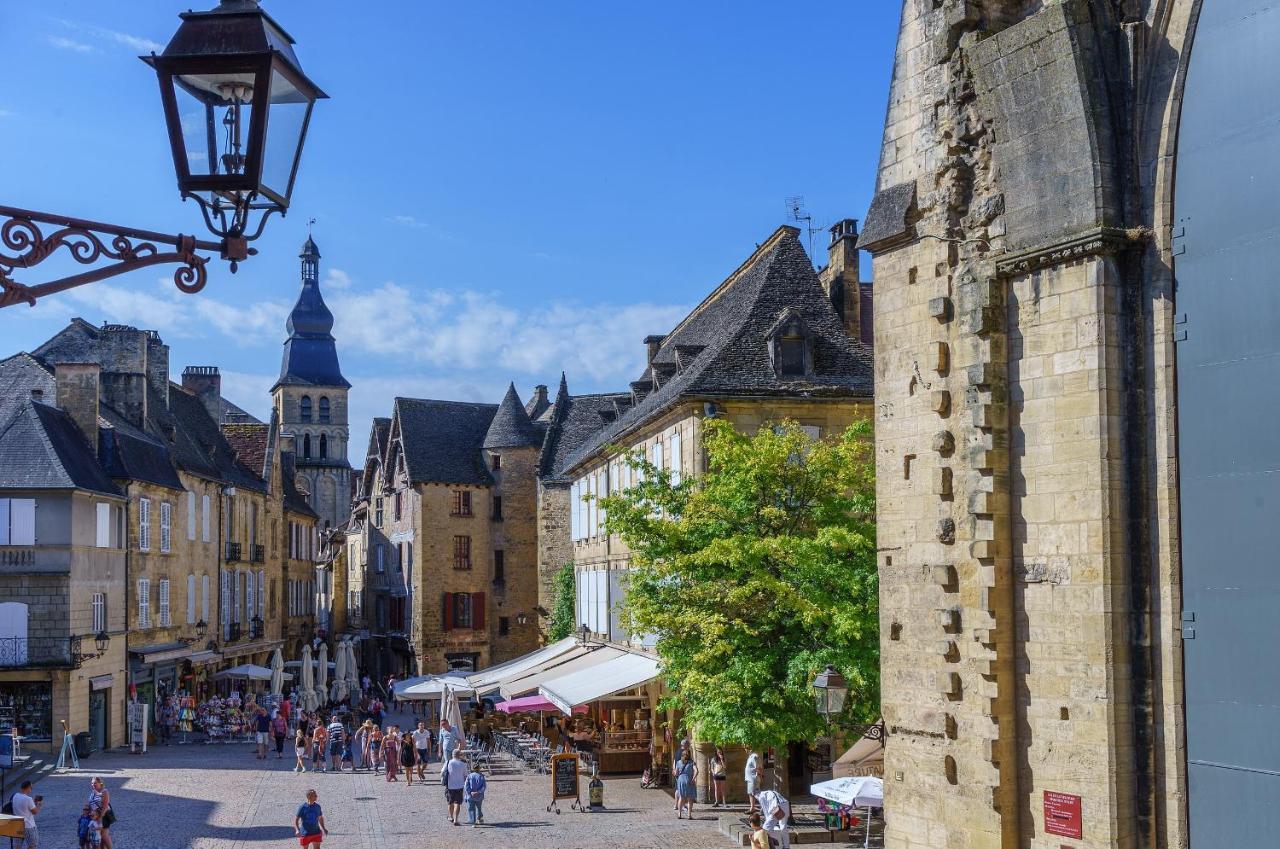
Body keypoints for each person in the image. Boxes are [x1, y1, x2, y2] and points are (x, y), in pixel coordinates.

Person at [441, 749, 468, 826]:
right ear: (459, 755)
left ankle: (451, 817)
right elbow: (466, 775)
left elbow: (442, 772)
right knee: (457, 803)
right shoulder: (463, 764)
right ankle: (456, 819)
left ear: (452, 755)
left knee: (450, 802)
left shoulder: (448, 762)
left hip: (450, 786)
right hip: (459, 786)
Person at [11, 780, 39, 849]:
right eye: (31, 788)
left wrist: (31, 802)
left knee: (17, 846)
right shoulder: (28, 799)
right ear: (28, 787)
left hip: (17, 825)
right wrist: (39, 804)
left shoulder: (15, 796)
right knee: (32, 846)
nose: (31, 790)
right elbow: (35, 812)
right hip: (28, 826)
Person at [88, 777, 114, 849]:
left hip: (104, 815)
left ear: (100, 783)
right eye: (92, 783)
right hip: (95, 816)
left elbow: (105, 805)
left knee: (105, 835)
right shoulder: (93, 792)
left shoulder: (104, 791)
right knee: (100, 836)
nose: (93, 784)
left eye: (95, 783)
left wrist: (100, 817)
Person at [674, 751, 697, 819]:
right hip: (689, 780)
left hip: (680, 780)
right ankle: (689, 815)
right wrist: (693, 779)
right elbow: (697, 771)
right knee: (690, 799)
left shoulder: (678, 762)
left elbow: (676, 773)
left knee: (681, 797)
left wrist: (675, 773)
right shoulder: (692, 762)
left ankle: (679, 814)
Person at [464, 761, 487, 827]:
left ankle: (473, 822)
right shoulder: (481, 776)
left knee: (471, 808)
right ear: (479, 768)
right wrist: (478, 792)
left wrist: (470, 792)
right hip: (479, 796)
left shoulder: (469, 776)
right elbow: (484, 787)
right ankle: (479, 819)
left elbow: (466, 786)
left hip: (470, 796)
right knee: (479, 808)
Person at [745, 749, 763, 814]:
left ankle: (764, 807)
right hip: (749, 778)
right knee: (751, 793)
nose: (746, 750)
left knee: (756, 794)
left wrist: (760, 777)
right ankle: (752, 808)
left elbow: (759, 768)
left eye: (747, 748)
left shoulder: (755, 756)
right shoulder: (750, 756)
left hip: (754, 778)